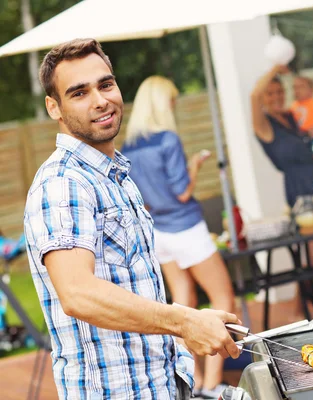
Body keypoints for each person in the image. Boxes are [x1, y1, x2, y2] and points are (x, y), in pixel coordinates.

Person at [23, 39, 240, 400]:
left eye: (105, 85)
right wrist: (183, 322)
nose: (100, 100)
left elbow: (131, 288)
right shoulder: (63, 183)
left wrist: (191, 318)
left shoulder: (116, 173)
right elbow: (78, 294)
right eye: (79, 93)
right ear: (54, 107)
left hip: (161, 386)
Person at [121, 75, 236, 399]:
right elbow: (183, 192)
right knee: (222, 297)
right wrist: (196, 164)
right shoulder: (168, 140)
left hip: (160, 234)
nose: (174, 106)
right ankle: (213, 384)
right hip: (187, 229)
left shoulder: (129, 146)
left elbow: (142, 198)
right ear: (162, 103)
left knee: (183, 305)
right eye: (171, 100)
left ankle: (193, 379)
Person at [250, 66, 313, 303]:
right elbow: (253, 96)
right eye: (270, 93)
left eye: (280, 91)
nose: (276, 96)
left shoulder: (293, 116)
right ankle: (310, 302)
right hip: (300, 188)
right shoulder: (264, 125)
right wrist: (273, 70)